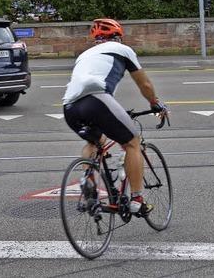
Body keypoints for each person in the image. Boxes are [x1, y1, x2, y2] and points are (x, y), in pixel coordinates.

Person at [62, 18, 168, 215]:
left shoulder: (84, 55)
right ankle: (137, 199)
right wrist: (154, 103)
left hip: (70, 107)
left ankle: (89, 179)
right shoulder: (122, 50)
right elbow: (144, 85)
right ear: (118, 37)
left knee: (95, 142)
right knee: (132, 143)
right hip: (97, 99)